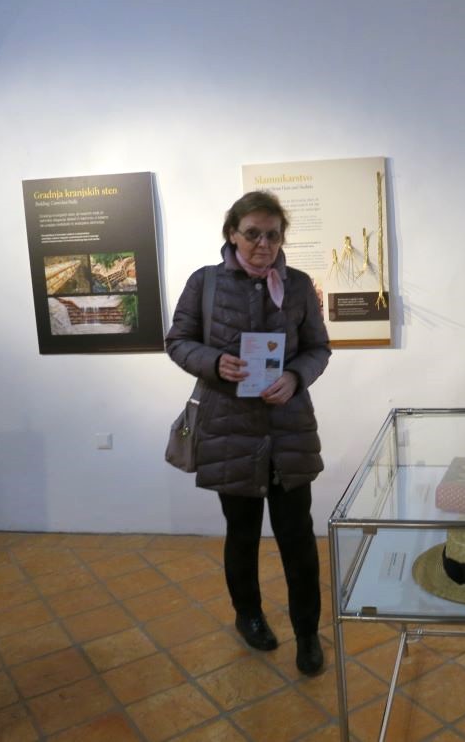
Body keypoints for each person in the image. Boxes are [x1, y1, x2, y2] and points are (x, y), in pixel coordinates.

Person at [166, 192, 331, 676]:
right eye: (253, 233)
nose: (264, 244)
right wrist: (215, 362)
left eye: (273, 235)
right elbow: (177, 341)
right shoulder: (205, 282)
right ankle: (249, 616)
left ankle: (307, 633)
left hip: (288, 430)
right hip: (229, 430)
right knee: (241, 535)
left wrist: (296, 377)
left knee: (298, 538)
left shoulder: (298, 285)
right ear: (232, 234)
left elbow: (318, 348)